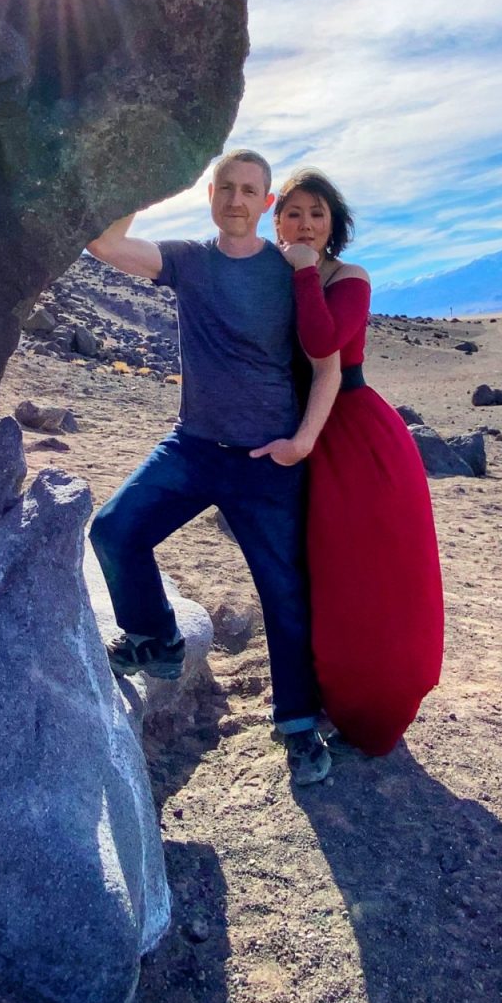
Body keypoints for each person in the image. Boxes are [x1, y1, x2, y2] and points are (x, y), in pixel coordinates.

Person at [85, 149, 344, 785]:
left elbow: (326, 366)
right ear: (210, 195)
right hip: (194, 447)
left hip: (267, 460)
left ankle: (299, 726)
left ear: (266, 205)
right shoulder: (188, 261)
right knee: (114, 531)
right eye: (224, 188)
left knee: (284, 593)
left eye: (248, 190)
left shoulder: (291, 275)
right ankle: (157, 638)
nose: (235, 199)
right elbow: (104, 244)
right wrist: (147, 175)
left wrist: (302, 443)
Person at [274, 168, 445, 756]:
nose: (306, 223)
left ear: (333, 223)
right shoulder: (265, 274)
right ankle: (317, 695)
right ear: (277, 220)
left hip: (358, 439)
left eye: (317, 212)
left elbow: (323, 343)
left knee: (372, 574)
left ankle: (376, 704)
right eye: (294, 211)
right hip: (298, 435)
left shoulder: (349, 278)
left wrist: (300, 271)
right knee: (315, 574)